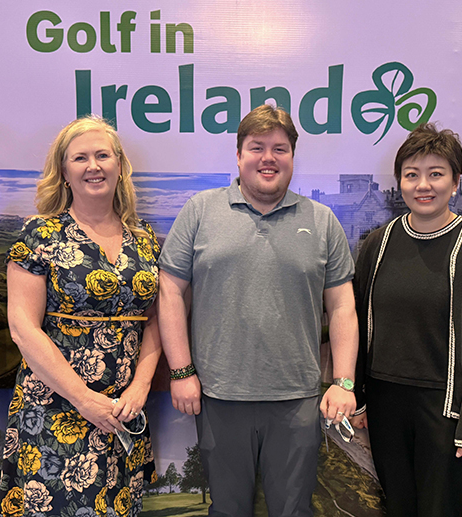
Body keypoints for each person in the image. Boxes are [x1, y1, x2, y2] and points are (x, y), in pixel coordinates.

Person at [158, 104, 358, 517]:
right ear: (238, 155)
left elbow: (342, 307)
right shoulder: (200, 211)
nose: (268, 158)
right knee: (228, 510)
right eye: (257, 147)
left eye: (279, 148)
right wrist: (181, 371)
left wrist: (344, 381)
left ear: (292, 156)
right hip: (218, 395)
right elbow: (170, 292)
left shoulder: (322, 221)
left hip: (296, 399)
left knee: (293, 510)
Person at [0, 116, 161, 517]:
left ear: (119, 165)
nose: (93, 166)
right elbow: (22, 328)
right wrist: (84, 399)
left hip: (123, 413)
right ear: (64, 171)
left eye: (103, 155)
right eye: (80, 158)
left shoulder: (145, 240)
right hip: (55, 412)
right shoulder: (38, 237)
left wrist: (140, 387)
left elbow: (155, 321)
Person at [351, 123, 462, 516]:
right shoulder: (378, 243)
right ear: (400, 182)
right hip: (386, 401)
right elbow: (356, 321)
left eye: (436, 174)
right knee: (398, 504)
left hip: (445, 407)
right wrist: (359, 397)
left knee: (440, 508)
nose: (424, 185)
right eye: (412, 174)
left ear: (455, 182)